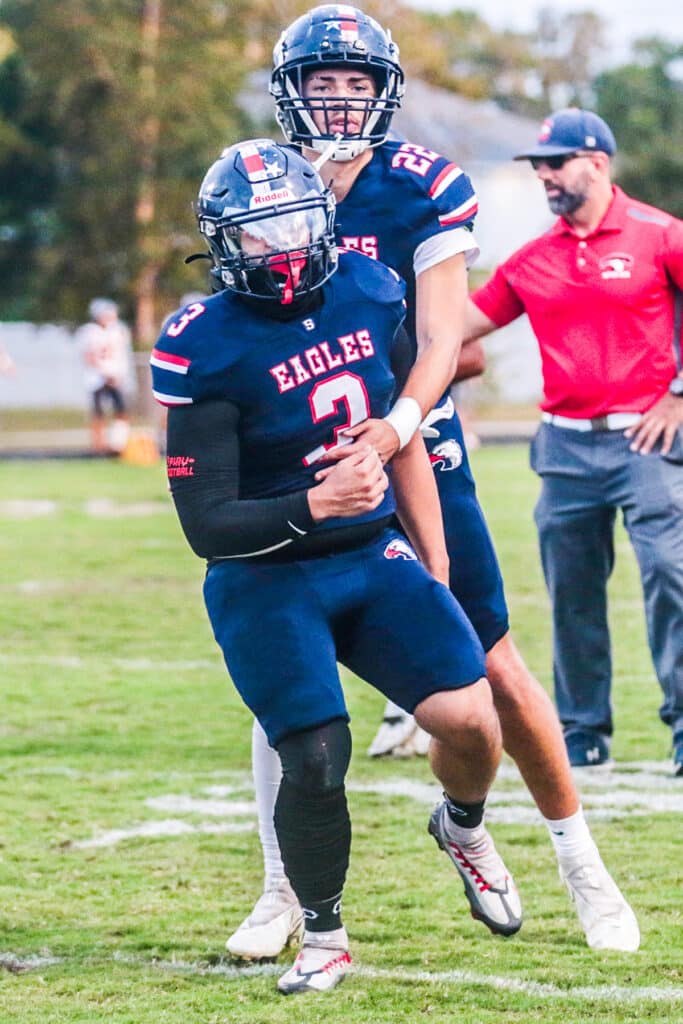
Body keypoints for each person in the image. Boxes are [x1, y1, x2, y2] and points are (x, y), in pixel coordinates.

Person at [225, 6, 639, 961]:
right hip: (305, 452)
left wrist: (399, 424)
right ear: (291, 91)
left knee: (491, 660)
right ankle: (280, 890)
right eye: (320, 83)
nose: (337, 101)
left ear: (383, 92)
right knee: (280, 678)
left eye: (353, 83)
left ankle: (580, 866)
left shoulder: (421, 186)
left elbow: (449, 340)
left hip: (415, 440)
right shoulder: (261, 179)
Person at [151, 138, 521, 995]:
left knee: (470, 719)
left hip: (370, 554)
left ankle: (462, 827)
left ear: (324, 225)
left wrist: (432, 560)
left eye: (289, 224)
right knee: (317, 753)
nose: (277, 249)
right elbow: (206, 525)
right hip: (265, 575)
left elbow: (405, 436)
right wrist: (312, 505)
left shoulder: (367, 288)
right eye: (254, 233)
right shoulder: (201, 342)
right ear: (220, 241)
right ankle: (322, 933)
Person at [464, 107, 683, 776]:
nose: (545, 176)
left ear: (597, 163)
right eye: (539, 166)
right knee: (572, 590)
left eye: (557, 163)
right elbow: (458, 328)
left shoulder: (659, 234)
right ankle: (583, 731)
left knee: (671, 576)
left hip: (644, 441)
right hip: (562, 448)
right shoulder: (532, 259)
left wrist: (679, 394)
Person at [77, 298, 133, 454]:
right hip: (96, 378)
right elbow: (89, 357)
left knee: (122, 410)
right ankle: (98, 446)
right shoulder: (90, 331)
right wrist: (105, 373)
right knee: (98, 413)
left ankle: (118, 444)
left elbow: (121, 356)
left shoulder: (118, 331)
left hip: (116, 377)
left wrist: (118, 375)